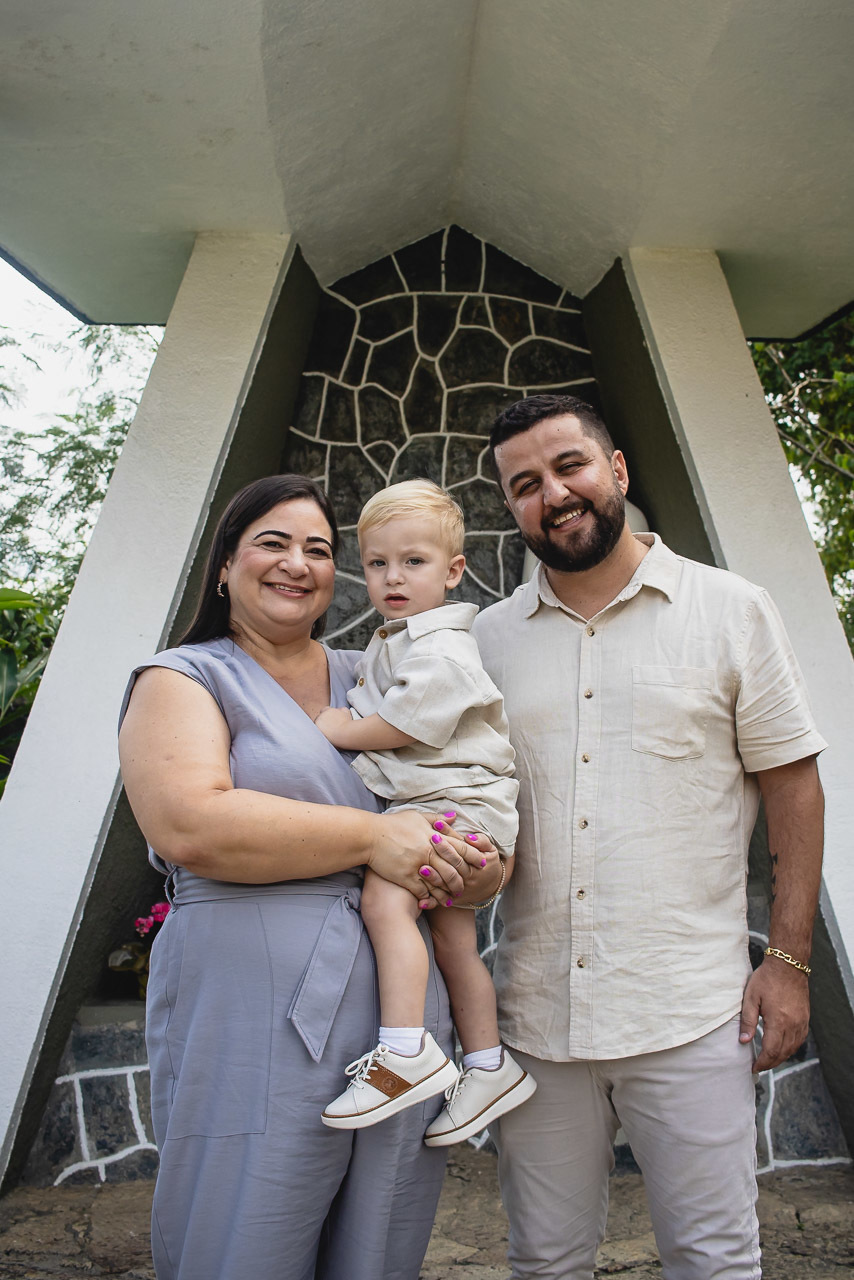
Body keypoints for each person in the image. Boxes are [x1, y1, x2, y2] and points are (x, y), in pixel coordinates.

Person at [471, 394, 826, 1280]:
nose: (552, 494)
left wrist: (787, 961)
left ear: (617, 470)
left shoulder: (732, 610)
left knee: (713, 1261)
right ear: (510, 509)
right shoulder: (483, 643)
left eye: (569, 467)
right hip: (536, 1020)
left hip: (691, 1014)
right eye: (524, 485)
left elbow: (795, 788)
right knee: (544, 1260)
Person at [117, 474, 504, 1280]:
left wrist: (477, 863)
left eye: (319, 550)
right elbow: (190, 822)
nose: (298, 563)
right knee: (246, 1224)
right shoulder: (183, 678)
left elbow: (468, 786)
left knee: (380, 1235)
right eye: (273, 542)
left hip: (398, 1018)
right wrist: (377, 837)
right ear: (224, 564)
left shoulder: (382, 676)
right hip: (248, 1007)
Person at [314, 480, 536, 1143]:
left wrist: (332, 725)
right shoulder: (398, 640)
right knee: (453, 941)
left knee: (386, 901)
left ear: (453, 570)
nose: (392, 577)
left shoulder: (441, 648)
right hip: (462, 812)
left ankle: (405, 1051)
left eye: (413, 562)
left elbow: (397, 725)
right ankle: (490, 1065)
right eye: (378, 563)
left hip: (457, 809)